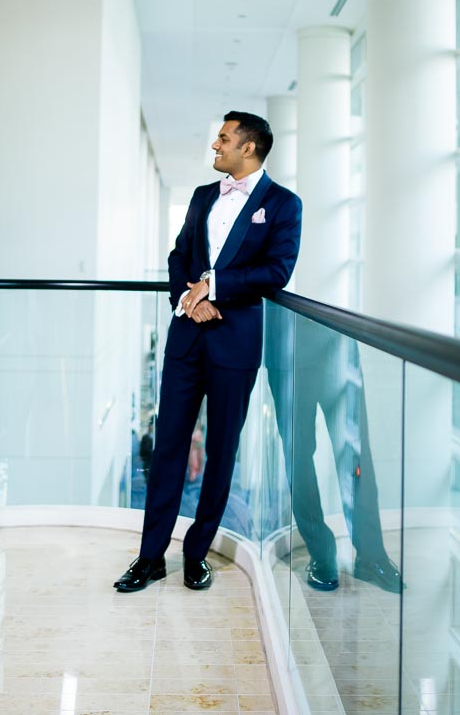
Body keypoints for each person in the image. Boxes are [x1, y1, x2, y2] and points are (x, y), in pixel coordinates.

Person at [114, 112, 302, 592]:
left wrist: (213, 287)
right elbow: (180, 257)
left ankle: (197, 553)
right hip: (187, 337)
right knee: (169, 447)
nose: (215, 146)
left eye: (223, 138)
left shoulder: (283, 204)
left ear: (250, 147)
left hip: (234, 344)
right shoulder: (201, 197)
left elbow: (276, 271)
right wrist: (188, 299)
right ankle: (149, 557)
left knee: (220, 452)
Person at [263, 304, 404, 593]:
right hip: (286, 347)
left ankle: (371, 556)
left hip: (337, 339)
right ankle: (321, 553)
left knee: (355, 454)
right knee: (298, 457)